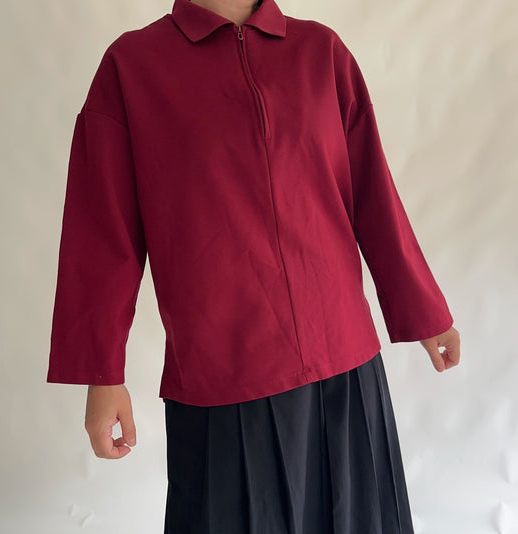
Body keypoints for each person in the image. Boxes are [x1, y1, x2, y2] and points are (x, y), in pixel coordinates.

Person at [47, 0, 461, 532]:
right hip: (223, 376)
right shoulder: (132, 67)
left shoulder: (321, 53)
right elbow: (103, 234)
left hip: (344, 366)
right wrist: (101, 374)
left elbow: (372, 194)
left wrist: (423, 310)